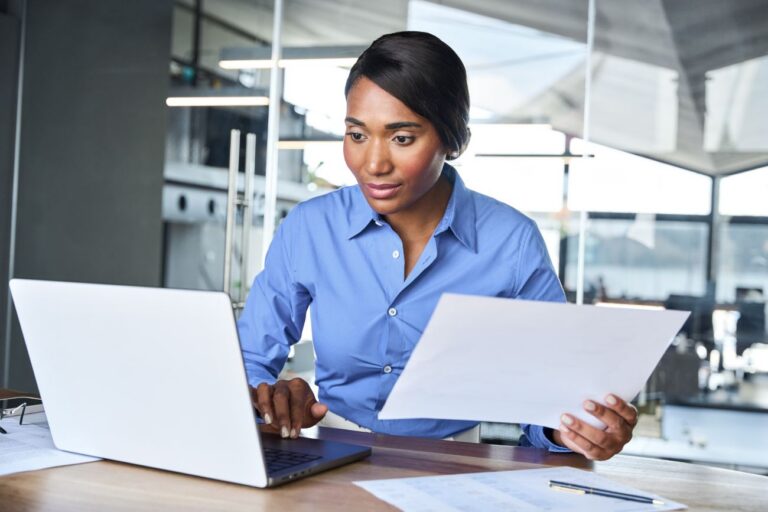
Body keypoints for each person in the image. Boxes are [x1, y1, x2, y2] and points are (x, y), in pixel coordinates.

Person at [237, 31, 637, 460]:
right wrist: (269, 397)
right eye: (357, 135)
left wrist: (574, 430)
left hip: (453, 466)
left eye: (401, 138)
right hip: (327, 455)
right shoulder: (310, 228)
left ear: (452, 139)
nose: (373, 163)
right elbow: (245, 359)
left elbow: (549, 398)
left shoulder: (511, 242)